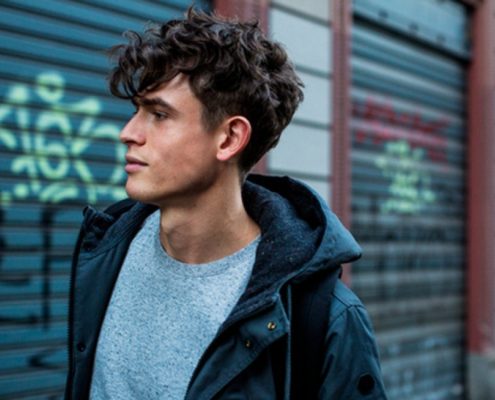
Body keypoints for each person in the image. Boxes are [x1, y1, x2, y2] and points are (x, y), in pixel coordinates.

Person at [65, 7, 387, 400]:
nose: (128, 132)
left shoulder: (321, 316)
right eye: (137, 111)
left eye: (159, 114)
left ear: (230, 138)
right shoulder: (105, 251)